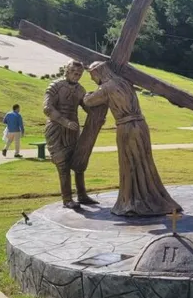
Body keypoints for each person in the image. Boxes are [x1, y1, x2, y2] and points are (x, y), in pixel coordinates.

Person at [84, 61, 181, 217]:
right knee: (144, 162)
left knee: (129, 163)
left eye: (92, 75)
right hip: (141, 125)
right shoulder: (124, 82)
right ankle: (152, 197)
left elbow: (88, 101)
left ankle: (132, 202)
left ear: (98, 73)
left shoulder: (106, 88)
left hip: (127, 128)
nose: (92, 79)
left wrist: (87, 95)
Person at [43, 60, 98, 209]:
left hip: (73, 130)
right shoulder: (55, 86)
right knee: (63, 164)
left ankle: (82, 195)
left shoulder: (80, 90)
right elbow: (47, 108)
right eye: (74, 73)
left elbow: (88, 107)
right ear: (67, 71)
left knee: (79, 161)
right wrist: (64, 122)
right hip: (56, 129)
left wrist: (97, 114)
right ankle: (67, 199)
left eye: (79, 74)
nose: (77, 76)